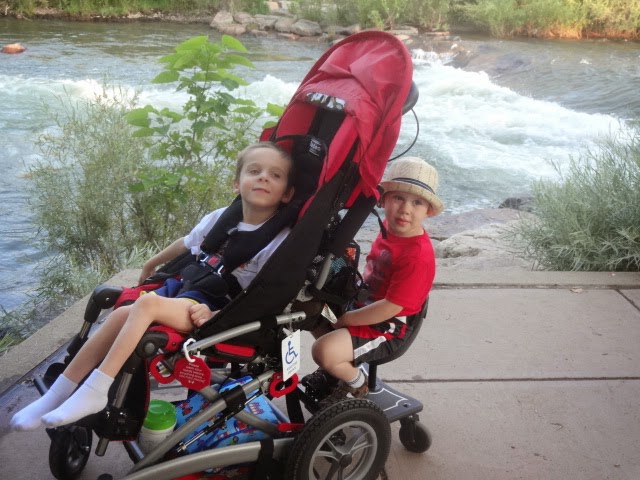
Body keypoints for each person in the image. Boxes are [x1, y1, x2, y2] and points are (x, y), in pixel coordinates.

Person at [11, 142, 295, 431]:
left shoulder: (279, 242)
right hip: (189, 287)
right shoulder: (223, 218)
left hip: (214, 308)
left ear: (287, 193)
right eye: (254, 171)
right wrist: (151, 263)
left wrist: (216, 315)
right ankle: (57, 394)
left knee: (146, 304)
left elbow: (264, 296)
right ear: (237, 183)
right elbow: (187, 243)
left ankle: (96, 390)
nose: (263, 177)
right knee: (121, 315)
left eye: (275, 175)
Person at [304, 156, 444, 404]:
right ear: (383, 199)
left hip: (388, 326)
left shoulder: (417, 256)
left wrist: (348, 319)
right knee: (312, 311)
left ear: (428, 211)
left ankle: (356, 384)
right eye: (398, 197)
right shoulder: (389, 229)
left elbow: (391, 307)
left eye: (417, 202)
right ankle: (339, 367)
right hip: (364, 304)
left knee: (322, 351)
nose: (405, 209)